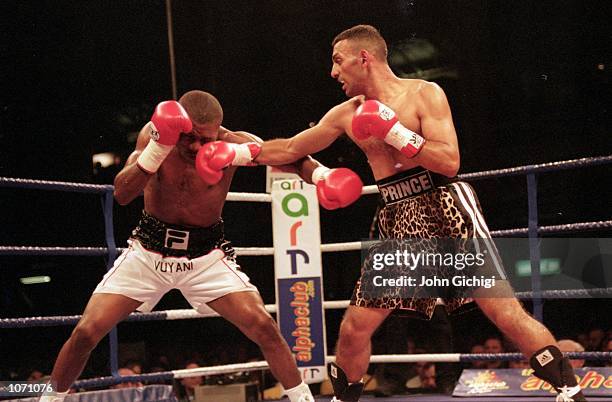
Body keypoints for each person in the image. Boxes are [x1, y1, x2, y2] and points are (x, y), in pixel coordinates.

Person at [196, 25, 589, 402]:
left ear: (363, 58)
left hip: (445, 206)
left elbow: (449, 161)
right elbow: (288, 150)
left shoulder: (423, 94)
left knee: (503, 310)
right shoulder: (347, 113)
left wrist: (394, 131)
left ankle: (570, 391)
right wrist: (230, 144)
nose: (333, 72)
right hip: (397, 215)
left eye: (338, 61)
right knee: (354, 328)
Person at [40, 90, 364, 402]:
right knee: (85, 332)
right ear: (177, 124)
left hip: (205, 256)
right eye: (189, 136)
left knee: (264, 327)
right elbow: (123, 193)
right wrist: (157, 149)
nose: (196, 146)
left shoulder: (233, 143)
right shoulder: (155, 135)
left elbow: (291, 157)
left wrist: (322, 175)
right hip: (148, 251)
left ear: (217, 132)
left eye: (205, 139)